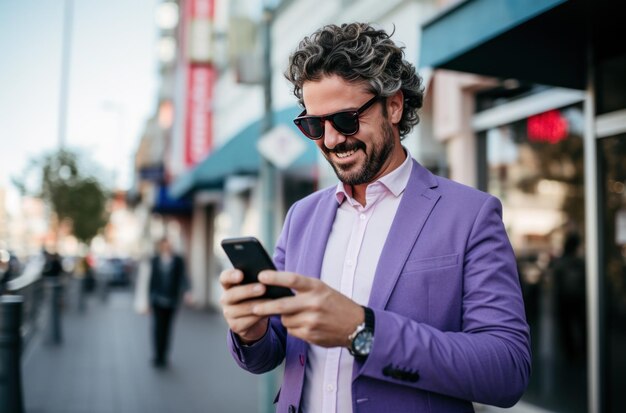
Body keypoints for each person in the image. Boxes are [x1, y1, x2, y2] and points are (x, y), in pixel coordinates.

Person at [220, 23, 531, 412]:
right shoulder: (302, 216)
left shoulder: (470, 215)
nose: (331, 140)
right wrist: (252, 331)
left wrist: (361, 330)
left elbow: (507, 370)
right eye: (315, 126)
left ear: (395, 105)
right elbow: (273, 352)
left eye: (346, 119)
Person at [148, 237, 190, 368]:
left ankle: (164, 357)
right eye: (165, 244)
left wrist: (188, 291)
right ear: (161, 246)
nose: (167, 246)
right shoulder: (155, 260)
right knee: (157, 329)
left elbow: (183, 277)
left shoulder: (178, 260)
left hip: (171, 301)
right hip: (157, 300)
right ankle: (157, 355)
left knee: (167, 329)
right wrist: (148, 300)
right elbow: (150, 280)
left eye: (169, 244)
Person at [551, 231, 586, 361]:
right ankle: (575, 353)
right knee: (573, 327)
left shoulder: (565, 262)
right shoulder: (575, 262)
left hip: (569, 299)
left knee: (570, 328)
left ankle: (575, 353)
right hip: (572, 298)